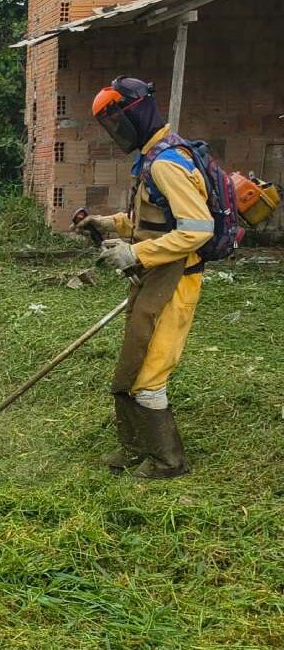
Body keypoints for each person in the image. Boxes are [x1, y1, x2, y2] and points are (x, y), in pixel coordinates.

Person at [74, 76, 213, 479]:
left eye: (116, 121)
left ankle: (169, 462)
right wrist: (108, 222)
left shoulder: (168, 163)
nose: (116, 131)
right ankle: (135, 449)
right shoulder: (155, 158)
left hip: (175, 280)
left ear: (135, 113)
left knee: (149, 375)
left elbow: (197, 229)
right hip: (153, 278)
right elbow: (150, 219)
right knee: (133, 363)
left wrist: (134, 253)